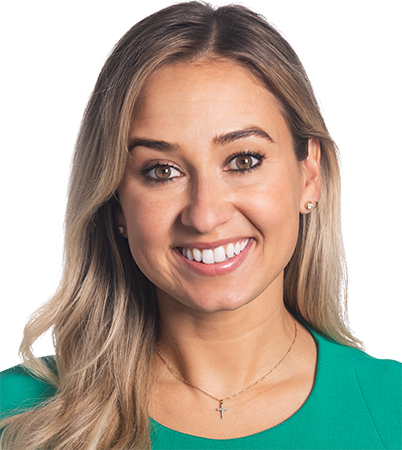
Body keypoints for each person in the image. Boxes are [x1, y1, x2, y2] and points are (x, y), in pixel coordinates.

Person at [1, 2, 401, 449]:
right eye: (162, 171)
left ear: (309, 176)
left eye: (243, 161)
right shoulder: (17, 416)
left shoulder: (392, 408)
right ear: (116, 204)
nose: (205, 215)